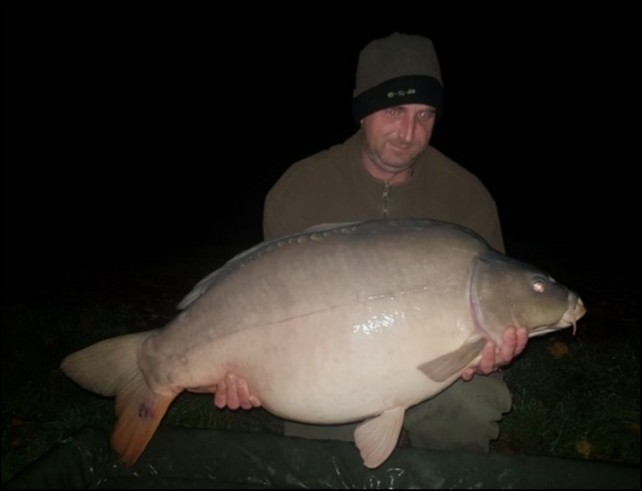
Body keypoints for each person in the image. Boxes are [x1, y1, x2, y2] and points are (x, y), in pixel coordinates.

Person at [215, 32, 528, 453]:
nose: (408, 133)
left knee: (473, 402)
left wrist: (497, 345)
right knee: (321, 448)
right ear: (363, 111)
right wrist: (249, 371)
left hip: (442, 374)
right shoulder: (301, 189)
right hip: (326, 367)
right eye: (394, 110)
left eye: (424, 114)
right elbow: (271, 308)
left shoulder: (465, 196)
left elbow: (494, 301)